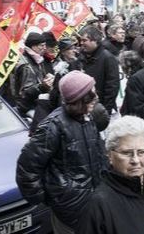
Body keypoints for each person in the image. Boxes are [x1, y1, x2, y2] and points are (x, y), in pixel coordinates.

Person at [16, 71, 107, 234]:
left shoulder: (89, 119)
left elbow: (99, 156)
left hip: (94, 207)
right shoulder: (52, 126)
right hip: (69, 213)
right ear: (80, 98)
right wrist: (53, 198)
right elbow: (27, 168)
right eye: (92, 94)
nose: (96, 97)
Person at [79, 116, 144, 234]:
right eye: (126, 153)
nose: (135, 160)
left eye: (141, 152)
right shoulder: (98, 204)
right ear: (110, 155)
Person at [11, 32, 55, 117]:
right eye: (42, 45)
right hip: (23, 109)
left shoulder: (37, 60)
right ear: (33, 46)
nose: (44, 48)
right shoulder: (26, 65)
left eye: (45, 45)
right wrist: (42, 86)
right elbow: (24, 93)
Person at [80, 26, 120, 114]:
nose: (81, 43)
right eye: (81, 40)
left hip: (100, 109)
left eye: (84, 40)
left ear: (95, 40)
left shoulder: (108, 58)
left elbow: (112, 87)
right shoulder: (82, 57)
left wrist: (105, 110)